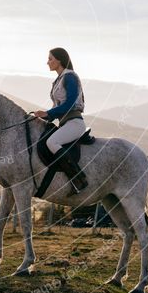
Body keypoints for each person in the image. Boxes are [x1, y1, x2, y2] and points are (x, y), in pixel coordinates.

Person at [33, 47, 90, 196]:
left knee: (51, 142)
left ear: (59, 60)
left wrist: (48, 113)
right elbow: (57, 108)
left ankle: (78, 179)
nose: (47, 62)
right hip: (65, 123)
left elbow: (70, 103)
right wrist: (44, 115)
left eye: (50, 59)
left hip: (74, 123)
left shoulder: (70, 77)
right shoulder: (58, 80)